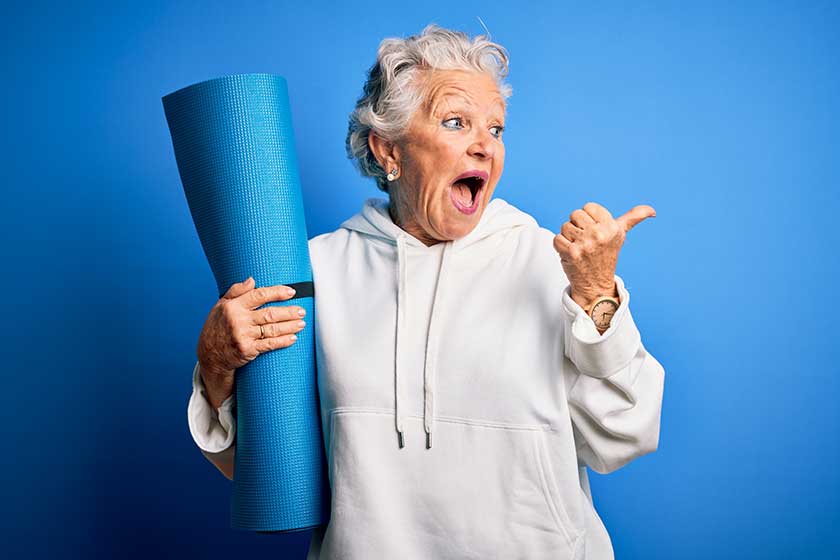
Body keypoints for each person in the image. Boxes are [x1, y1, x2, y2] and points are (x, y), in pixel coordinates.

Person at [187, 23, 665, 560]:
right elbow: (263, 469)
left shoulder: (556, 266)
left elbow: (626, 435)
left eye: (496, 129)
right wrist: (216, 364)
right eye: (456, 122)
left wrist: (598, 295)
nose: (485, 146)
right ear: (388, 150)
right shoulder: (314, 274)